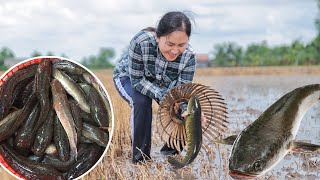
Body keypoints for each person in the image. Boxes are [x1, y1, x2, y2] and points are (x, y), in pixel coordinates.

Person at [113, 11, 197, 164]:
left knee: (186, 112)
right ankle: (141, 159)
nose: (175, 51)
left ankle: (169, 152)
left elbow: (181, 94)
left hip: (162, 84)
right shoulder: (141, 42)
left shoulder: (189, 58)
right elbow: (137, 81)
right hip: (129, 77)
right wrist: (164, 95)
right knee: (142, 102)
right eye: (170, 44)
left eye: (181, 45)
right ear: (158, 37)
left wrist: (187, 110)